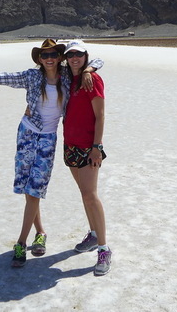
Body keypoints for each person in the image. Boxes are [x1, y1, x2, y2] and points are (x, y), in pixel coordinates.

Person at [0, 39, 103, 268]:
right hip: (27, 134)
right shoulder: (31, 76)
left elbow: (97, 60)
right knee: (27, 187)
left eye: (53, 54)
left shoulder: (68, 76)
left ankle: (21, 242)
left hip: (48, 139)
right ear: (39, 59)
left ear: (60, 57)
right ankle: (40, 231)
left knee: (36, 188)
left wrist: (89, 68)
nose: (49, 58)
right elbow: (3, 77)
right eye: (44, 55)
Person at [62, 39, 111, 276]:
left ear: (85, 56)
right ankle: (92, 235)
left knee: (91, 195)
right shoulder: (69, 78)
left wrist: (96, 147)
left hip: (88, 147)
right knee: (84, 194)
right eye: (70, 55)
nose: (74, 59)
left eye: (79, 55)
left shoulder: (92, 80)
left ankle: (104, 248)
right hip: (70, 145)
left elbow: (100, 116)